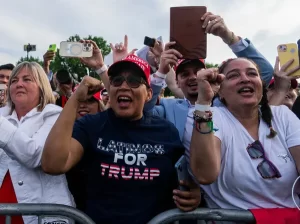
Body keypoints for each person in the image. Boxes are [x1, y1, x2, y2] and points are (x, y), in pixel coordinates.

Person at [41, 55, 201, 224]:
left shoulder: (166, 131)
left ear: (148, 94)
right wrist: (74, 99)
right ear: (110, 91)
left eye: (133, 81)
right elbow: (53, 164)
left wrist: (194, 194)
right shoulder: (90, 126)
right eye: (117, 81)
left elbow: (185, 181)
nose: (124, 86)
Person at [189, 57, 300, 214]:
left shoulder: (282, 115)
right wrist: (203, 103)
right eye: (234, 75)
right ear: (220, 90)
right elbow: (205, 175)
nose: (245, 79)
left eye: (252, 74)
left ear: (261, 86)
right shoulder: (206, 115)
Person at [0, 62, 74, 224]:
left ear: (42, 86)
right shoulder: (2, 116)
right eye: (14, 81)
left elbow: (35, 155)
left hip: (39, 215)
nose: (19, 84)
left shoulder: (55, 115)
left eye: (27, 79)